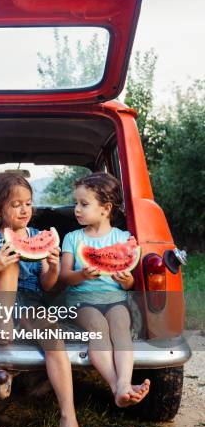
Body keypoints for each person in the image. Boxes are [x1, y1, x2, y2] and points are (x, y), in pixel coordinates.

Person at [0, 172, 84, 427]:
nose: (24, 210)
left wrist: (54, 266)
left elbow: (47, 286)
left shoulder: (38, 237)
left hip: (31, 303)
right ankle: (4, 333)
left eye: (28, 203)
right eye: (16, 204)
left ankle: (68, 417)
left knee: (54, 340)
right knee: (9, 263)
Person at [59, 172, 150, 408]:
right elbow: (65, 277)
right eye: (76, 203)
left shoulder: (124, 239)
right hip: (81, 301)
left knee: (120, 325)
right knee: (98, 327)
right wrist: (82, 274)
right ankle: (116, 386)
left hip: (115, 299)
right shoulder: (72, 238)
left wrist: (126, 280)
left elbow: (129, 285)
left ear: (106, 208)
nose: (77, 209)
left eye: (84, 204)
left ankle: (124, 383)